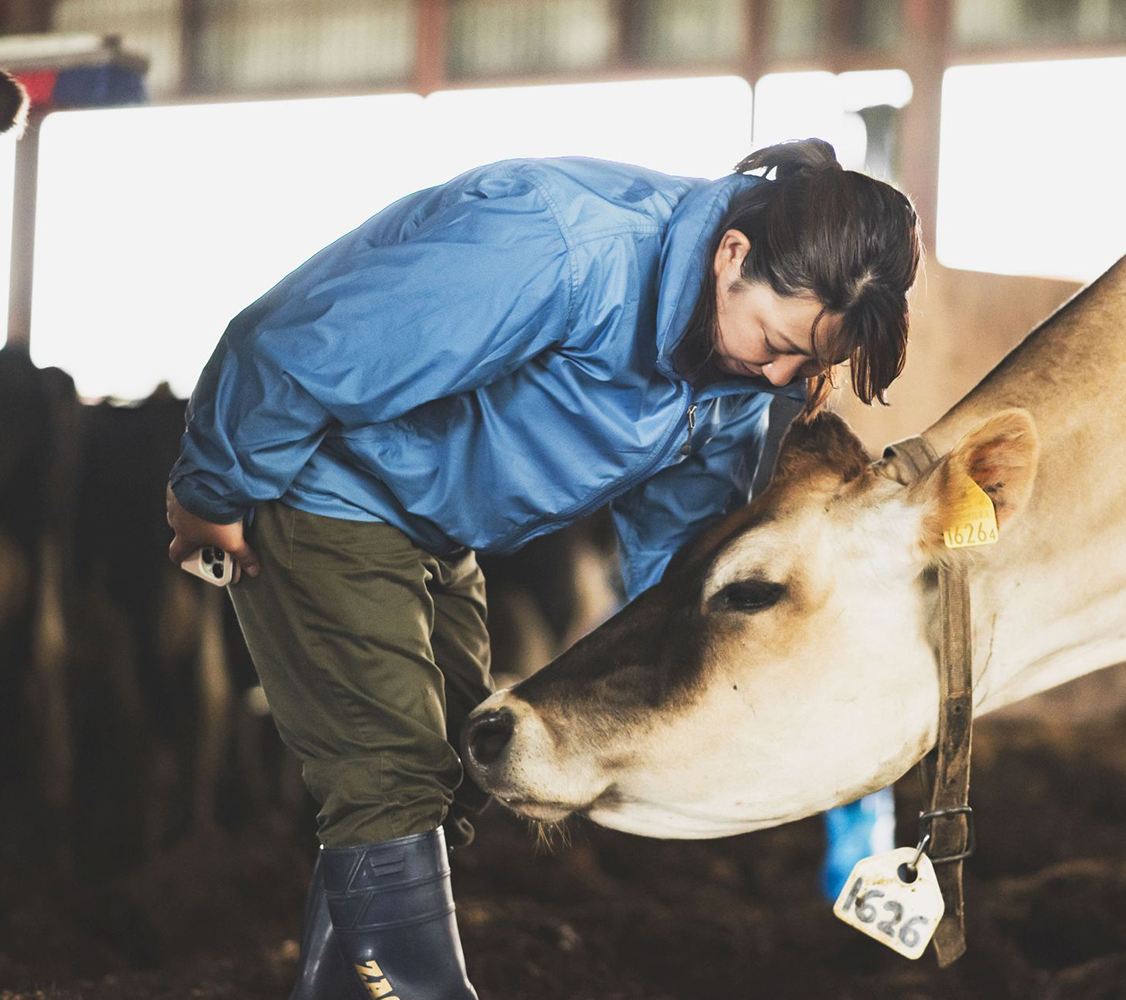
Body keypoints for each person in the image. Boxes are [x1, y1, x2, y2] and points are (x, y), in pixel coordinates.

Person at [165, 137, 920, 999]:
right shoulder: (559, 246)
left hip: (432, 529)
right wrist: (214, 487)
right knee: (392, 778)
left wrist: (729, 671)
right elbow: (298, 345)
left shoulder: (732, 377)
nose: (778, 373)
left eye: (807, 365)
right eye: (775, 340)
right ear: (734, 256)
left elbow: (681, 555)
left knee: (449, 784)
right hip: (324, 487)